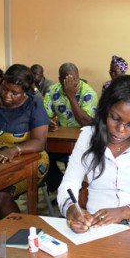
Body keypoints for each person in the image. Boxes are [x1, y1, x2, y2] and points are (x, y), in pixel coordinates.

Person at [57, 75, 130, 233]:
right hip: (94, 228)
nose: (120, 129)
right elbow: (69, 184)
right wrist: (71, 210)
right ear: (105, 110)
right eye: (114, 118)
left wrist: (125, 212)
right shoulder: (88, 137)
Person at [0, 64, 49, 229]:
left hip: (30, 159)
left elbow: (39, 142)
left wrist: (14, 150)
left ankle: (22, 234)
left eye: (14, 93)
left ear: (25, 92)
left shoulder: (34, 106)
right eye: (5, 89)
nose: (7, 95)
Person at [44, 62, 98, 192]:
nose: (73, 83)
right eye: (68, 80)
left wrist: (71, 96)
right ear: (60, 80)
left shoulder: (88, 93)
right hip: (61, 140)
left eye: (75, 79)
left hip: (84, 141)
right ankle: (60, 187)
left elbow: (86, 122)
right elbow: (44, 115)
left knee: (75, 165)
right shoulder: (53, 91)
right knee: (41, 156)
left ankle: (75, 192)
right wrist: (48, 122)